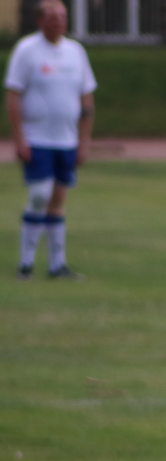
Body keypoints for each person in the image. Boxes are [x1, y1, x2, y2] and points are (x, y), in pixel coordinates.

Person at [6, 0, 94, 281]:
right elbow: (13, 95)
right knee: (39, 195)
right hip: (37, 138)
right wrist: (19, 138)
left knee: (57, 199)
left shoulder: (75, 52)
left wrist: (83, 141)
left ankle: (57, 265)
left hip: (66, 140)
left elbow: (86, 97)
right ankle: (25, 264)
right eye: (53, 17)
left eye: (62, 17)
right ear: (40, 20)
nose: (59, 22)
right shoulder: (27, 50)